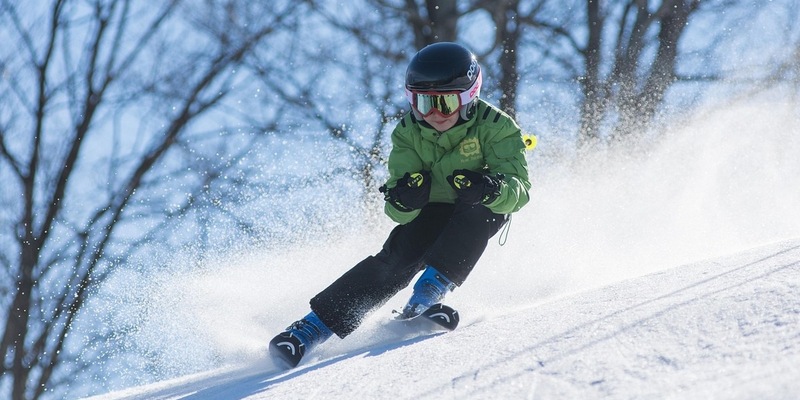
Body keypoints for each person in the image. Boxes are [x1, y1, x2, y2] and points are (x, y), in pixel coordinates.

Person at [268, 42, 531, 368]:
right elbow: (396, 208)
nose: (433, 114)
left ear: (468, 97)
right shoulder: (408, 131)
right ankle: (310, 329)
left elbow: (519, 191)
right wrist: (405, 199)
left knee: (485, 213)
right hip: (431, 208)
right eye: (422, 103)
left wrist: (491, 188)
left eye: (445, 103)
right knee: (398, 256)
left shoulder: (497, 126)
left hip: (476, 206)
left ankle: (426, 295)